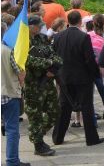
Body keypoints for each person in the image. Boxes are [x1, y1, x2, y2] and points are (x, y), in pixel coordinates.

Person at [52, 11, 104, 146]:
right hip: (82, 78)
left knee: (64, 107)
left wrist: (57, 73)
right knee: (87, 107)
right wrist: (95, 74)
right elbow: (89, 59)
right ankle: (92, 139)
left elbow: (54, 56)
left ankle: (58, 137)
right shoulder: (83, 37)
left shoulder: (58, 37)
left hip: (64, 77)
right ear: (80, 22)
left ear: (68, 21)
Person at [24, 15, 61, 156]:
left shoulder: (42, 38)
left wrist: (53, 68)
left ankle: (38, 133)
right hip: (33, 84)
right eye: (38, 25)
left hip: (47, 82)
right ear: (29, 26)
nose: (40, 27)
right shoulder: (23, 41)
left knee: (55, 112)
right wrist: (49, 64)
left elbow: (53, 55)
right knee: (35, 116)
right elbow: (27, 60)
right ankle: (38, 144)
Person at [1, 21, 30, 166]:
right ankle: (12, 161)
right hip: (7, 94)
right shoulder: (7, 50)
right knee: (12, 129)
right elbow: (20, 73)